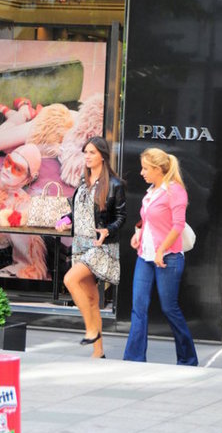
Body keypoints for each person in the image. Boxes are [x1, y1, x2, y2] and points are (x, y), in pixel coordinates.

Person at [123, 147, 198, 366]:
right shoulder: (152, 191)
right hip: (144, 256)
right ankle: (134, 359)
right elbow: (149, 219)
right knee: (138, 307)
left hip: (169, 257)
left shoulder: (175, 191)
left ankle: (188, 359)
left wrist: (161, 249)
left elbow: (178, 225)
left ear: (158, 169)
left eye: (145, 168)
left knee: (169, 308)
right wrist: (138, 233)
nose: (141, 172)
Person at [56, 136, 126, 358]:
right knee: (92, 299)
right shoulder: (83, 182)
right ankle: (99, 352)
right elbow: (79, 211)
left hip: (100, 245)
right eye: (85, 152)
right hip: (80, 244)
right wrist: (66, 219)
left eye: (92, 152)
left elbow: (121, 217)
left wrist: (108, 230)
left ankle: (91, 330)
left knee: (70, 280)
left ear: (102, 156)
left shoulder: (115, 185)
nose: (87, 156)